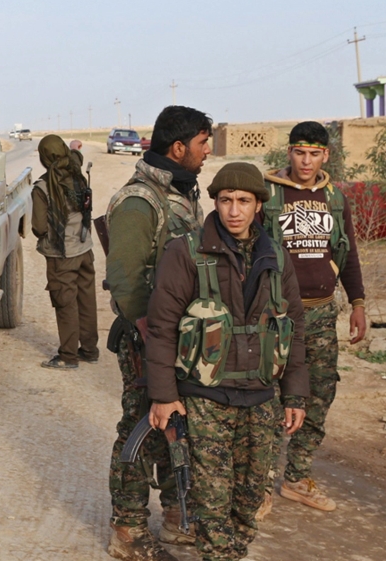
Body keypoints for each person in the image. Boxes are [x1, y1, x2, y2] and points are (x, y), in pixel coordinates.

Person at [145, 162, 308, 561]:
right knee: (211, 507)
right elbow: (162, 328)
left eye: (243, 201)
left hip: (260, 400)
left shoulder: (277, 258)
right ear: (214, 203)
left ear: (258, 205)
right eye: (225, 200)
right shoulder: (186, 252)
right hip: (206, 400)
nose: (234, 210)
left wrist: (295, 396)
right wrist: (164, 396)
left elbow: (296, 330)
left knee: (249, 504)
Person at [103, 105, 211, 561]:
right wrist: (154, 338)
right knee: (143, 425)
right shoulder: (139, 200)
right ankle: (126, 528)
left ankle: (174, 514)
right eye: (204, 143)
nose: (208, 152)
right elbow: (126, 281)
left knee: (176, 426)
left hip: (181, 337)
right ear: (179, 147)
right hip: (149, 337)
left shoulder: (184, 193)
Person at [258, 121, 366, 515]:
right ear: (289, 153)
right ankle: (260, 484)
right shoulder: (267, 195)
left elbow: (349, 253)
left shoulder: (335, 198)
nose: (306, 161)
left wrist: (357, 303)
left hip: (321, 315)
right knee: (267, 398)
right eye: (299, 153)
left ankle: (296, 476)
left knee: (318, 395)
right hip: (275, 315)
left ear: (326, 155)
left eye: (314, 154)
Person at [31, 135, 98, 369]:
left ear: (43, 159)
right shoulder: (75, 171)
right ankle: (89, 350)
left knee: (65, 303)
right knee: (86, 299)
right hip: (85, 248)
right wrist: (75, 148)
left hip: (62, 255)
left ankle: (68, 356)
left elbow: (38, 227)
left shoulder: (42, 187)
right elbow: (75, 158)